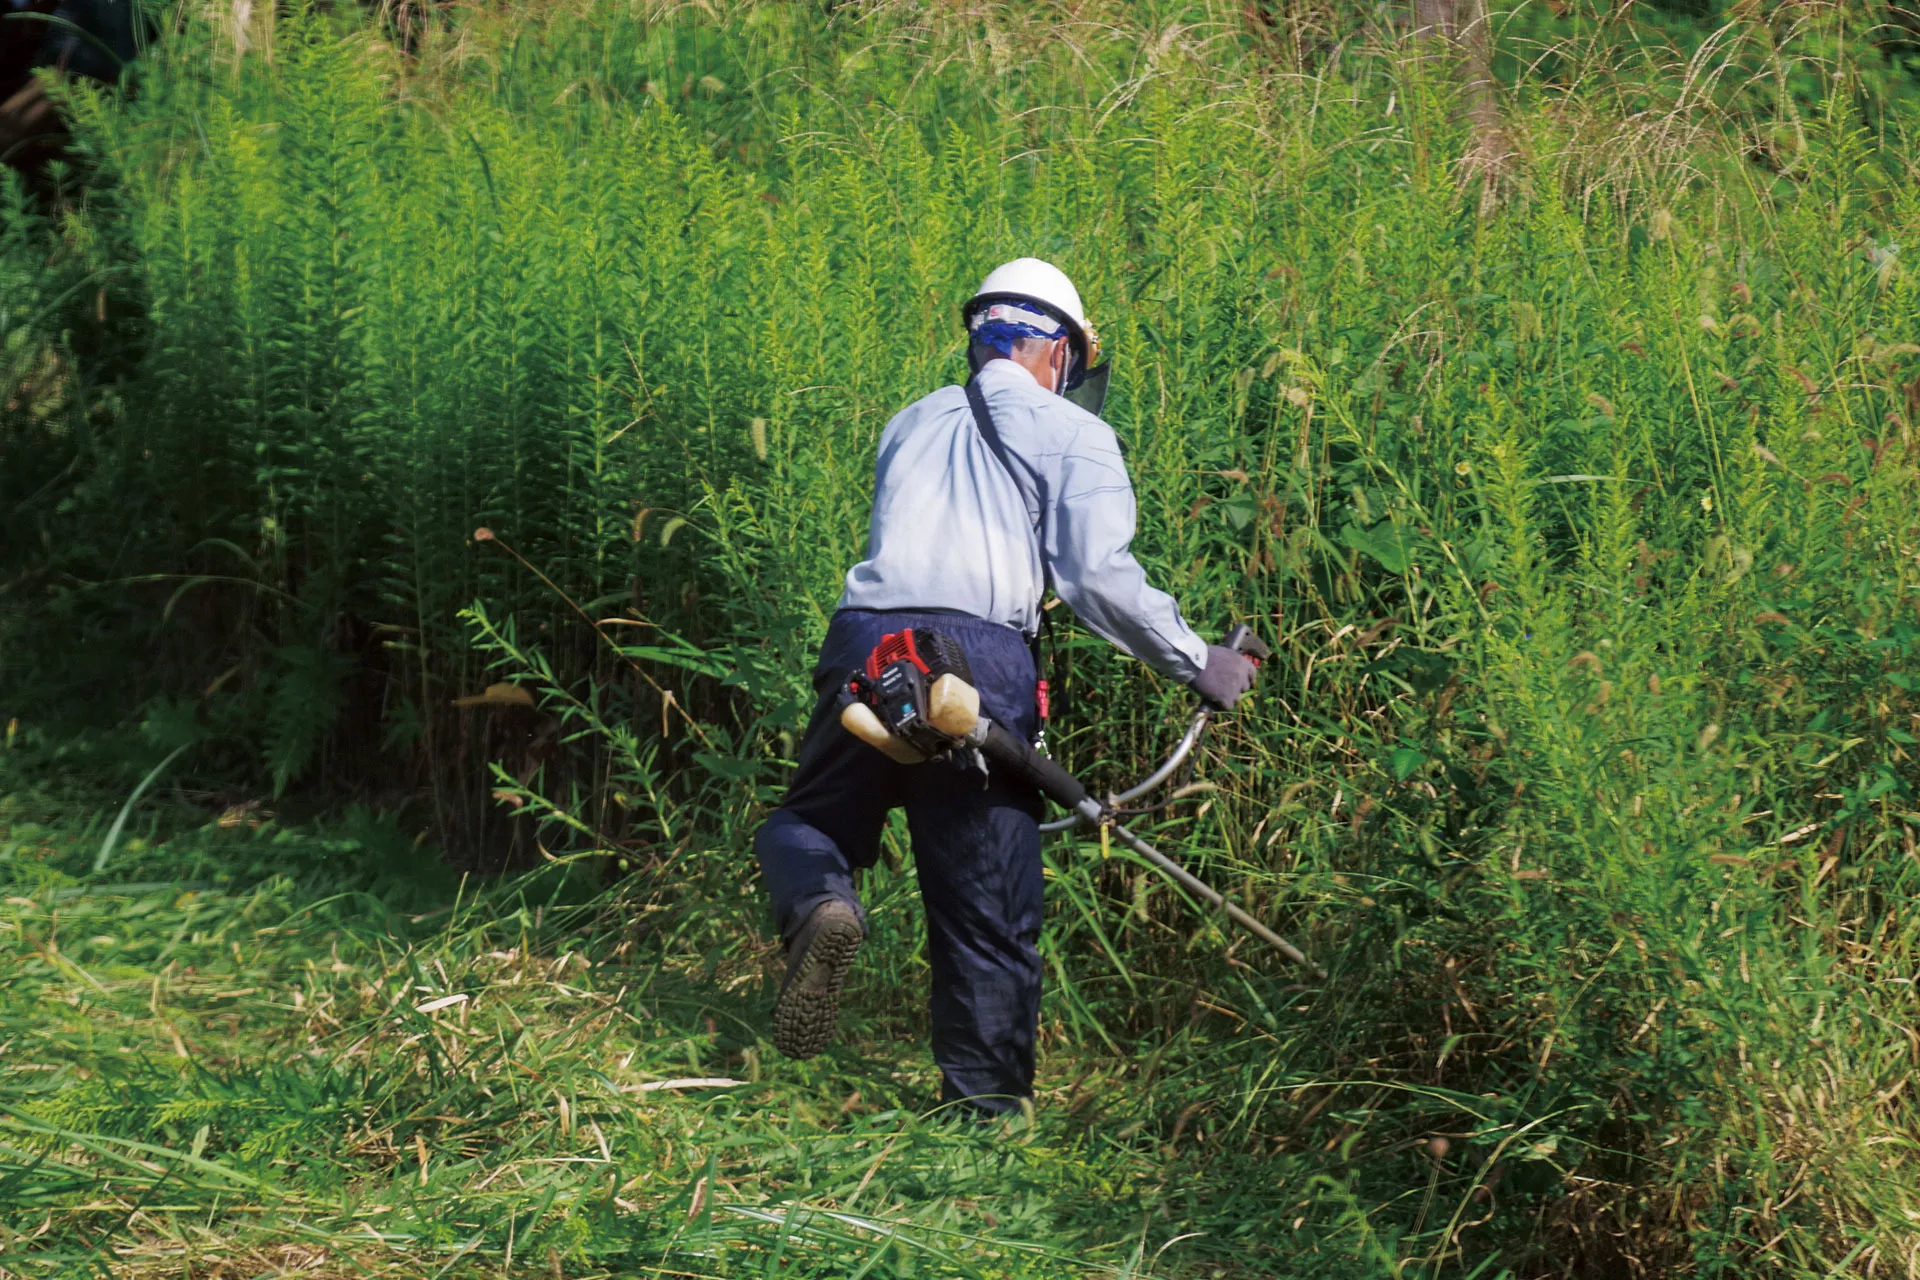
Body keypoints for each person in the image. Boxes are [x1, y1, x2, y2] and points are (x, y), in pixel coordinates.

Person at [753, 258, 1257, 1114]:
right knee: (986, 895)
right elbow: (1097, 576)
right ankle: (983, 1115)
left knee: (808, 821)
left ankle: (820, 904)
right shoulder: (1072, 432)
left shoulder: (909, 422)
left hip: (867, 643)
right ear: (1056, 352)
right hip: (977, 657)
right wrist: (1198, 659)